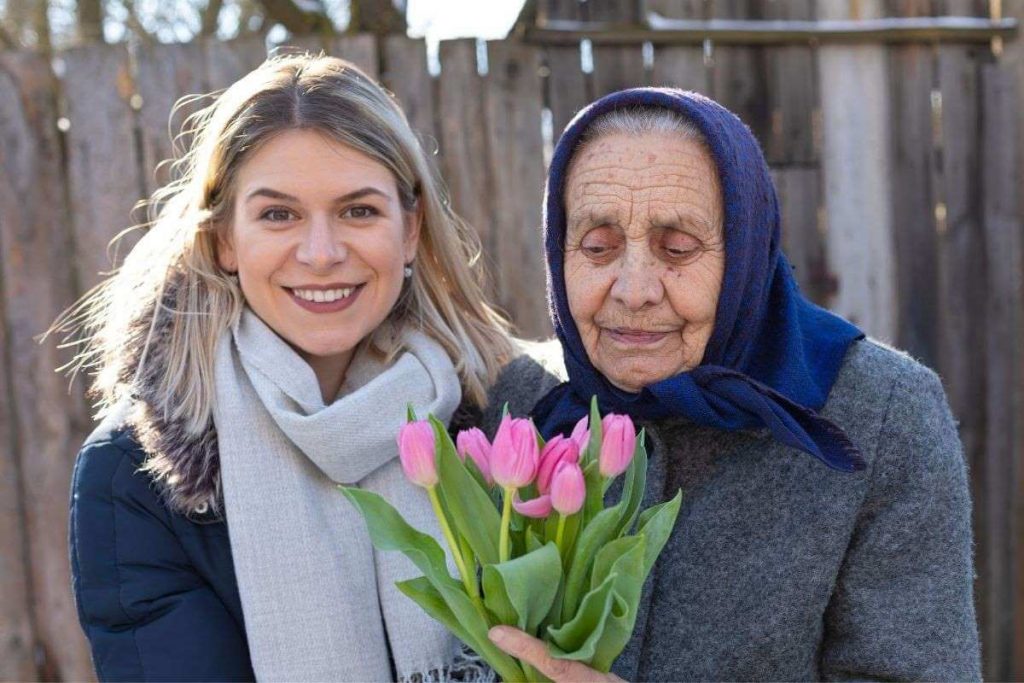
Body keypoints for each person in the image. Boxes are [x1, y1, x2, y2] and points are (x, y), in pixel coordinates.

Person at [65, 53, 537, 681]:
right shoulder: (135, 476)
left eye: (359, 210)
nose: (321, 254)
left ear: (411, 229)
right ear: (225, 239)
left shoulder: (505, 424)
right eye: (278, 214)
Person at [484, 88, 981, 681]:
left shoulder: (881, 414)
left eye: (678, 248)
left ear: (747, 250)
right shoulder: (523, 401)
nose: (634, 289)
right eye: (598, 246)